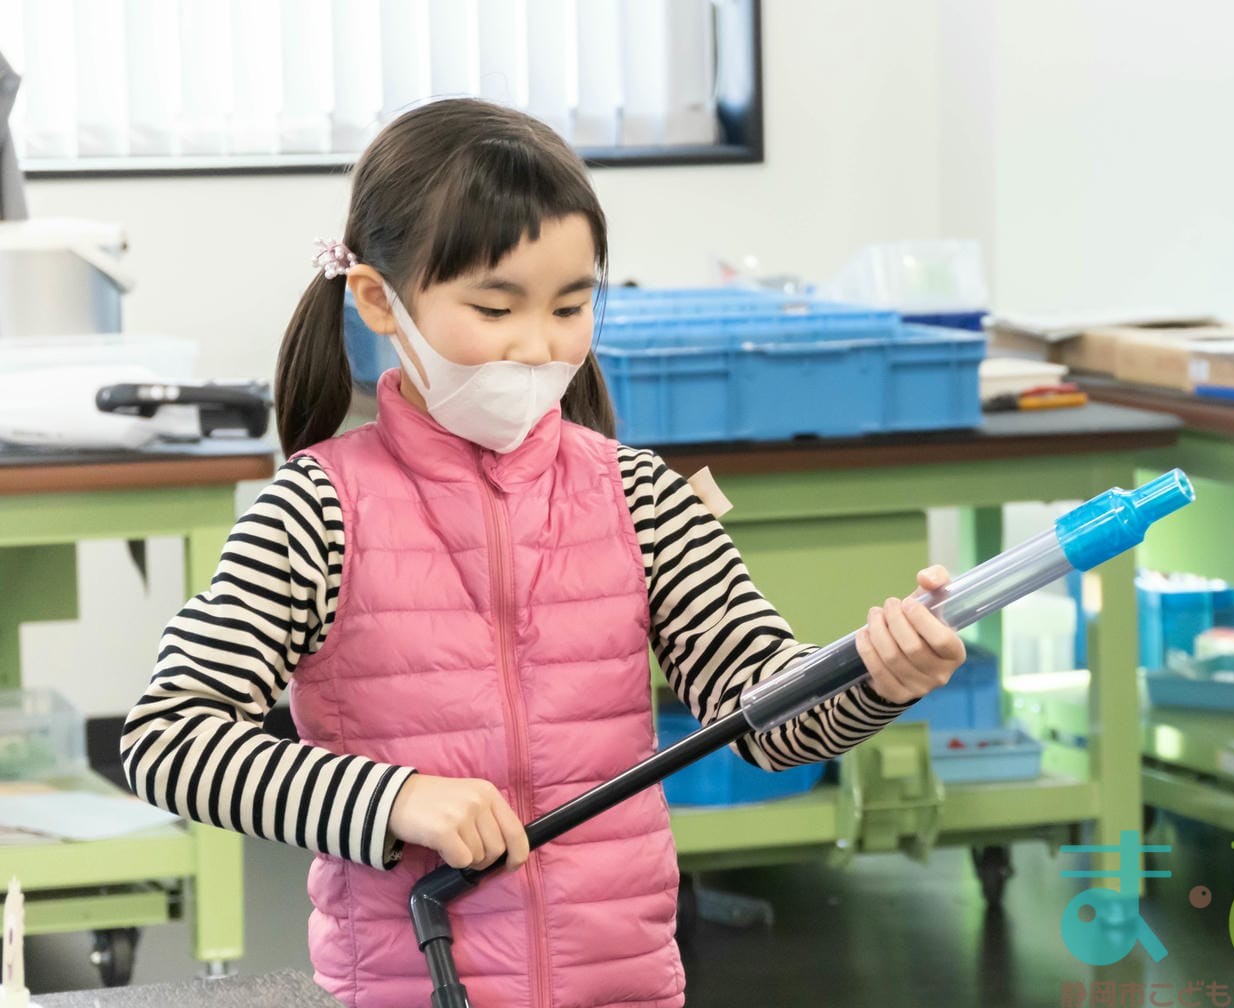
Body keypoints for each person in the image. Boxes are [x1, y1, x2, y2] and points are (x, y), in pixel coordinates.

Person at [120, 98, 966, 1008]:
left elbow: (764, 718)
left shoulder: (639, 497)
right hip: (410, 987)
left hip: (625, 987)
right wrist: (393, 800)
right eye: (495, 307)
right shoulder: (317, 511)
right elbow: (170, 739)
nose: (537, 346)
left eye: (570, 306)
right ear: (378, 301)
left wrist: (874, 675)